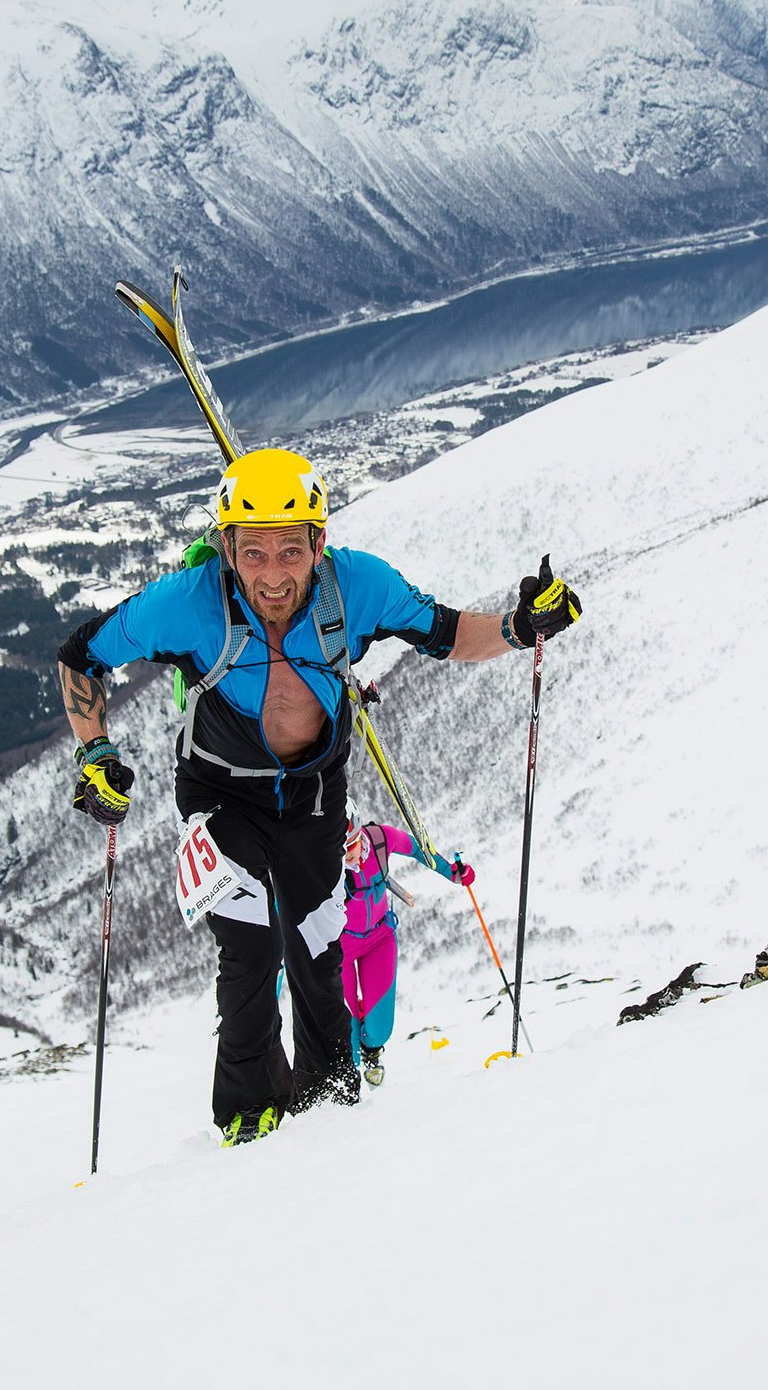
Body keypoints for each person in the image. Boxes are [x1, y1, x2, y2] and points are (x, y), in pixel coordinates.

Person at [56, 447, 581, 1147]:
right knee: (249, 946)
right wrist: (95, 753)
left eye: (288, 552)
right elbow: (80, 655)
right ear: (225, 548)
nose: (271, 575)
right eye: (252, 554)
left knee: (316, 943)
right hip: (219, 795)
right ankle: (248, 1117)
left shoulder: (356, 587)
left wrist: (521, 629)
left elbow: (448, 635)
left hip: (311, 795)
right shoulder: (186, 603)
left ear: (318, 544)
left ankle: (331, 1100)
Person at [341, 802, 475, 1087]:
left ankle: (372, 1051)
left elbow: (416, 848)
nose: (346, 858)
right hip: (339, 950)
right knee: (345, 1042)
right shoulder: (321, 858)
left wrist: (452, 872)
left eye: (349, 848)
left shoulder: (379, 839)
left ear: (358, 835)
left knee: (378, 1031)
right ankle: (349, 1091)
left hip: (379, 938)